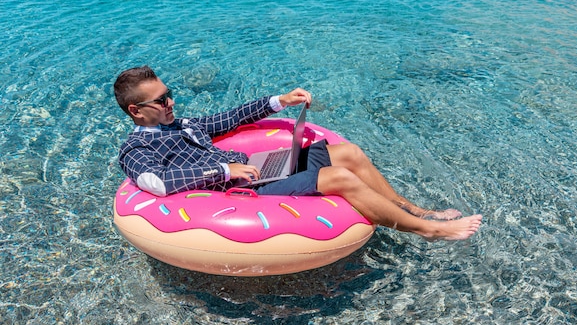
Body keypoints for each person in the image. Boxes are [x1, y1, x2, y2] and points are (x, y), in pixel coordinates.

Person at [114, 66, 482, 241]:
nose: (170, 102)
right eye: (161, 100)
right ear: (136, 110)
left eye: (169, 93)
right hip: (237, 195)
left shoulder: (183, 125)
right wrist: (227, 171)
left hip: (251, 174)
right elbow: (157, 183)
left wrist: (281, 100)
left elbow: (231, 116)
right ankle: (430, 230)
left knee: (348, 154)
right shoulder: (136, 148)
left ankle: (415, 209)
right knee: (338, 177)